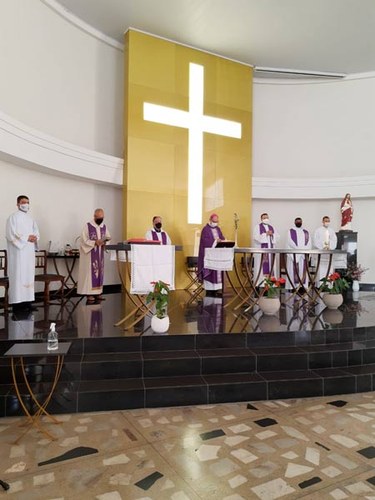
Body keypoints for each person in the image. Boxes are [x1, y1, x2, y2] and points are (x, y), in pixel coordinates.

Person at [6, 195, 40, 314]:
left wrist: (35, 238)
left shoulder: (31, 219)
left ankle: (28, 303)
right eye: (23, 202)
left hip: (29, 252)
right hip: (18, 253)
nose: (25, 204)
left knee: (28, 276)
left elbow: (36, 232)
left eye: (27, 202)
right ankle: (17, 305)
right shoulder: (12, 218)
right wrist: (27, 238)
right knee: (18, 277)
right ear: (18, 204)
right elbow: (11, 235)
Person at [77, 208, 111, 304]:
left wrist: (105, 242)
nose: (100, 219)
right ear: (94, 216)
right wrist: (94, 242)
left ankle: (98, 292)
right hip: (91, 254)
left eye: (102, 217)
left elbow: (108, 237)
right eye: (99, 217)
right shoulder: (88, 226)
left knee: (99, 272)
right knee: (90, 273)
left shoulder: (104, 226)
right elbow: (83, 240)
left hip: (100, 254)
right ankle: (90, 294)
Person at [197, 213, 225, 297]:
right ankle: (209, 290)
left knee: (217, 271)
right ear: (210, 220)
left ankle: (217, 289)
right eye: (214, 221)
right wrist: (216, 241)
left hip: (217, 255)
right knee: (210, 272)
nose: (215, 222)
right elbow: (205, 241)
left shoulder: (218, 229)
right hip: (208, 255)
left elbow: (222, 238)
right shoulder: (205, 229)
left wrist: (223, 240)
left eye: (217, 221)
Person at [253, 213, 280, 286]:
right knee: (260, 268)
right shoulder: (257, 227)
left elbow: (277, 237)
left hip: (270, 252)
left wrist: (272, 235)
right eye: (264, 218)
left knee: (271, 267)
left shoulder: (272, 227)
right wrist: (266, 234)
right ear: (261, 219)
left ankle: (271, 286)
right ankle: (260, 285)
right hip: (262, 252)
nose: (266, 219)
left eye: (267, 217)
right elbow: (256, 237)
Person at [285, 217, 311, 291]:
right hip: (294, 254)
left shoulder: (306, 232)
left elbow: (309, 242)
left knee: (302, 270)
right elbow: (289, 241)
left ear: (302, 222)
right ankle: (293, 286)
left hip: (303, 254)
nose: (299, 222)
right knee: (293, 271)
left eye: (300, 221)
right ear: (295, 222)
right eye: (297, 221)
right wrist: (298, 248)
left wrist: (303, 250)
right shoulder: (290, 231)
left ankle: (302, 286)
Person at [313, 215, 338, 286]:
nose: (327, 222)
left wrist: (330, 246)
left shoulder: (331, 231)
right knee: (321, 270)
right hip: (321, 254)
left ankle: (329, 285)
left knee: (329, 269)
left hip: (329, 254)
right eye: (325, 221)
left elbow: (334, 240)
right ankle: (320, 285)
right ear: (322, 221)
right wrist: (323, 246)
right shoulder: (318, 230)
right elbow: (315, 240)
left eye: (328, 221)